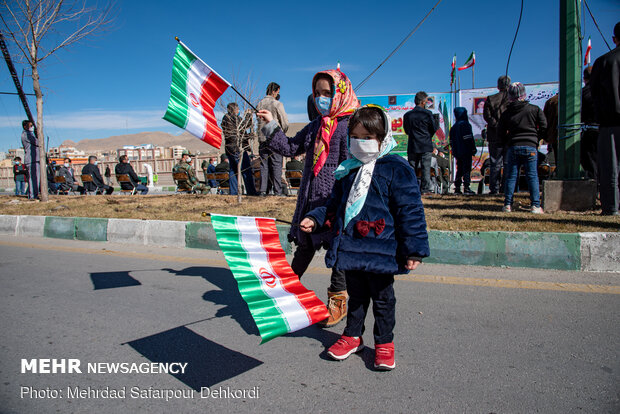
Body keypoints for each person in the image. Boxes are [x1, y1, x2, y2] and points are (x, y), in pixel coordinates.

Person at [299, 106, 429, 370]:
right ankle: (352, 336)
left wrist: (414, 250)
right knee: (356, 298)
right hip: (352, 249)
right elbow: (334, 205)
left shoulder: (397, 169)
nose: (361, 142)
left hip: (382, 252)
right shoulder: (347, 170)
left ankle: (384, 343)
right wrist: (315, 217)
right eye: (355, 136)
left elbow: (411, 212)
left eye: (368, 137)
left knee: (383, 300)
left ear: (382, 137)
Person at [256, 69, 359, 327]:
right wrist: (271, 124)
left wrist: (342, 203)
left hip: (335, 203)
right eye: (317, 94)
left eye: (328, 93)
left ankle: (338, 300)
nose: (321, 98)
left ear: (340, 94)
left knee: (338, 250)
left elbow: (352, 170)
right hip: (311, 200)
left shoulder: (349, 128)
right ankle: (283, 295)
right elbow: (290, 147)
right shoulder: (315, 127)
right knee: (305, 247)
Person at [498, 82, 547, 214]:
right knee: (532, 176)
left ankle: (507, 204)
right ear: (524, 94)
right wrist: (536, 139)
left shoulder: (507, 113)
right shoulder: (534, 109)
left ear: (510, 96)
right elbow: (544, 127)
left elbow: (500, 132)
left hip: (513, 146)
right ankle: (535, 206)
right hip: (530, 146)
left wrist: (507, 142)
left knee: (511, 176)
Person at [590, 22, 620, 216]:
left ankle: (611, 208)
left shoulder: (603, 62)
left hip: (610, 124)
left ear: (614, 39)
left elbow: (594, 95)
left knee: (611, 169)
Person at [403, 91, 439, 194]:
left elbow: (406, 130)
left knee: (411, 168)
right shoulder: (427, 114)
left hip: (413, 145)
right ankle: (425, 189)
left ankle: (412, 188)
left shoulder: (407, 115)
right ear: (423, 102)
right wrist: (426, 136)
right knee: (425, 168)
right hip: (425, 144)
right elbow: (433, 128)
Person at [257, 82, 289, 196]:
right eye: (278, 92)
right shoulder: (277, 104)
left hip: (262, 138)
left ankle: (262, 191)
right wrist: (281, 134)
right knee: (276, 164)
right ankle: (277, 191)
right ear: (275, 91)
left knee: (264, 166)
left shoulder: (260, 104)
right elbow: (285, 123)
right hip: (274, 138)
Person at [221, 103, 257, 196]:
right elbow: (240, 130)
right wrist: (248, 115)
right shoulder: (232, 119)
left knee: (233, 170)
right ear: (234, 110)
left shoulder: (227, 119)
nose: (238, 111)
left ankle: (234, 192)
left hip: (230, 148)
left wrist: (248, 116)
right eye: (237, 109)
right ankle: (251, 191)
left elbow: (245, 126)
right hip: (237, 148)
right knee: (246, 169)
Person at [483, 75, 511, 194]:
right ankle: (505, 188)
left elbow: (487, 117)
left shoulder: (491, 99)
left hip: (495, 135)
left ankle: (494, 189)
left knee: (495, 163)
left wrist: (496, 125)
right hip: (508, 135)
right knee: (507, 163)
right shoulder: (511, 100)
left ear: (498, 86)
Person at [450, 107, 477, 195]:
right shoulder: (465, 125)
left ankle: (457, 187)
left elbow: (451, 141)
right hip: (466, 151)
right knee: (466, 169)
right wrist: (473, 148)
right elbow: (468, 138)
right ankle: (466, 187)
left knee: (459, 169)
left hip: (457, 152)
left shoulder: (454, 127)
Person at [581, 66, 599, 181]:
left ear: (584, 79)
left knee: (590, 162)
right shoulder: (607, 89)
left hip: (590, 131)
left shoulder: (583, 93)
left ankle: (594, 187)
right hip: (607, 130)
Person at [21, 120, 39, 199]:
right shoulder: (27, 135)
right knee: (34, 179)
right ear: (25, 126)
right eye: (30, 126)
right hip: (32, 160)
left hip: (33, 159)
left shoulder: (28, 134)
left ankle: (33, 194)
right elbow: (38, 142)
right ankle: (33, 195)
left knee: (34, 179)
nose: (32, 127)